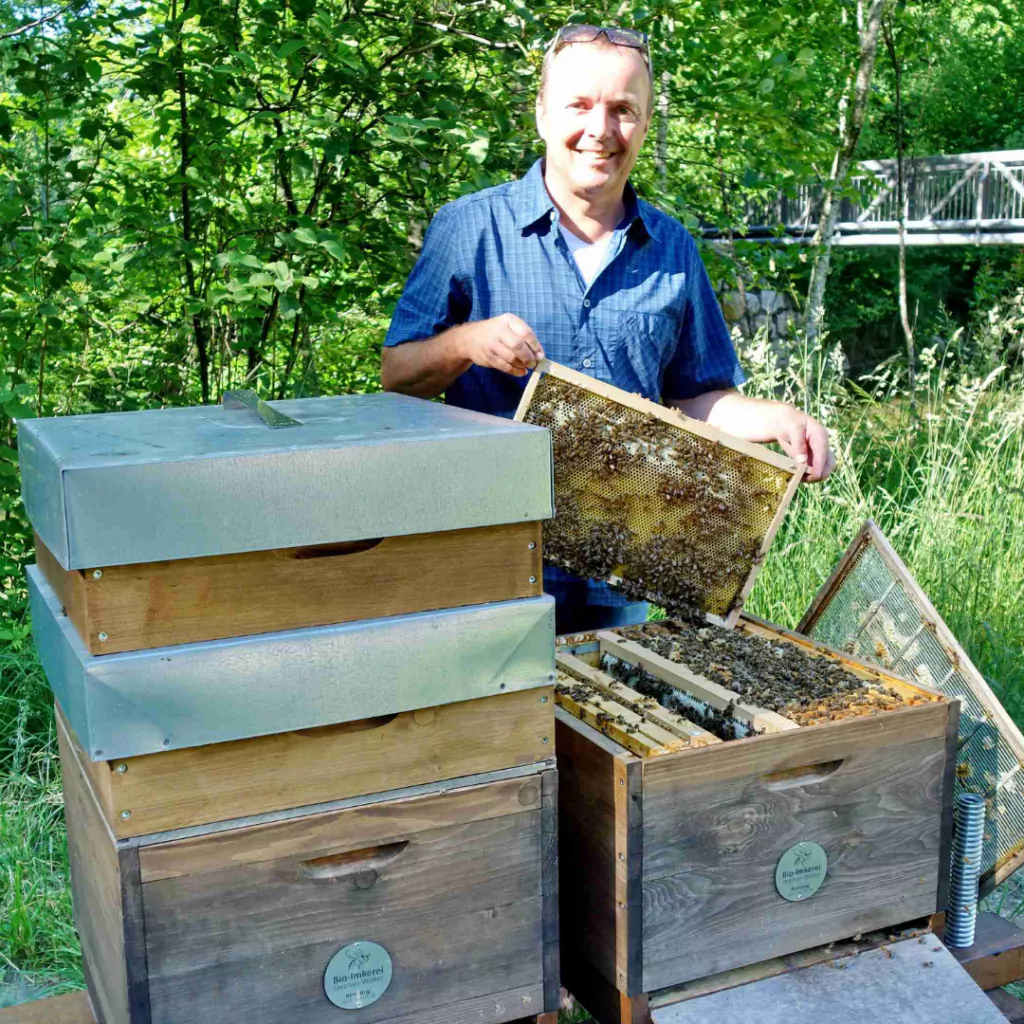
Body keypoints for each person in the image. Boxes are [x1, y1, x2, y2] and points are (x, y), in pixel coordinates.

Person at [381, 23, 835, 634]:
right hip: (489, 558)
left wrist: (779, 420)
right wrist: (467, 343)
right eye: (580, 105)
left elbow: (695, 396)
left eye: (623, 109)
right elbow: (397, 376)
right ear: (541, 114)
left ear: (645, 124)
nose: (600, 129)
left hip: (621, 568)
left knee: (603, 723)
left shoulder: (672, 248)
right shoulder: (469, 227)